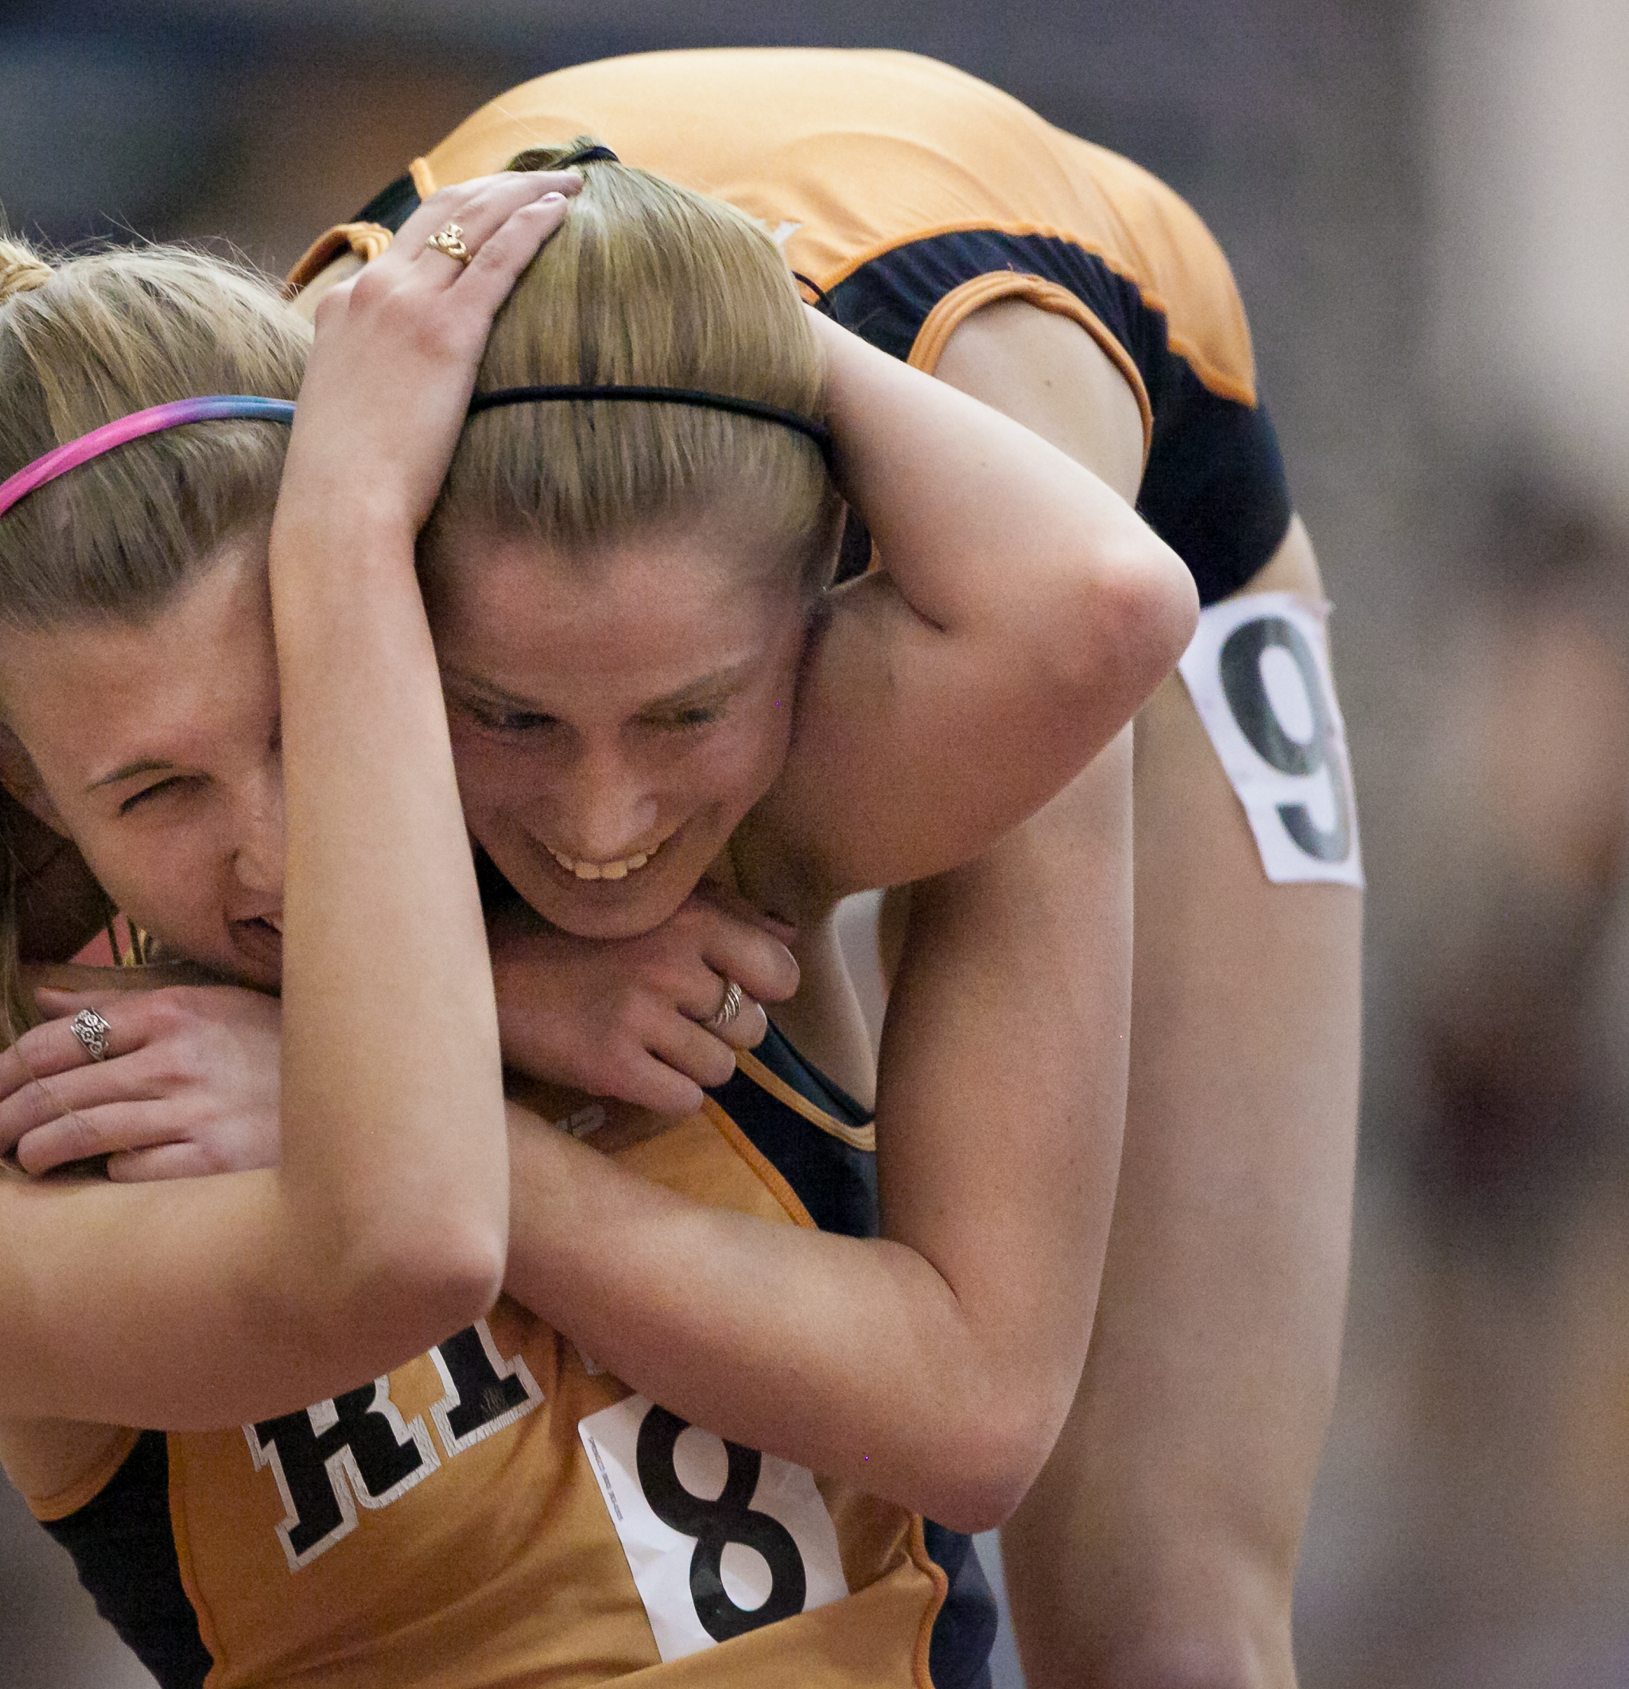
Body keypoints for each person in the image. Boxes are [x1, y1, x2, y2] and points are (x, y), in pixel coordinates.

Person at [0, 161, 1192, 1685]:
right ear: (28, 791)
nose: (273, 852)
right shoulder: (7, 1216)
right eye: (155, 792)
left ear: (405, 615)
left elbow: (1098, 610)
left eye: (305, 718)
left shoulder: (642, 860)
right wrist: (440, 1026)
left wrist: (715, 302)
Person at [286, 50, 1366, 1689]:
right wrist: (489, 989)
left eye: (684, 713)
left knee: (1168, 1628)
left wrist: (417, 1104)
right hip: (591, 457)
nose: (597, 824)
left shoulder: (974, 673)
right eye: (505, 715)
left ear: (816, 603)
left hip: (1132, 495)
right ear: (390, 601)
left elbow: (979, 1404)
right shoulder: (266, 542)